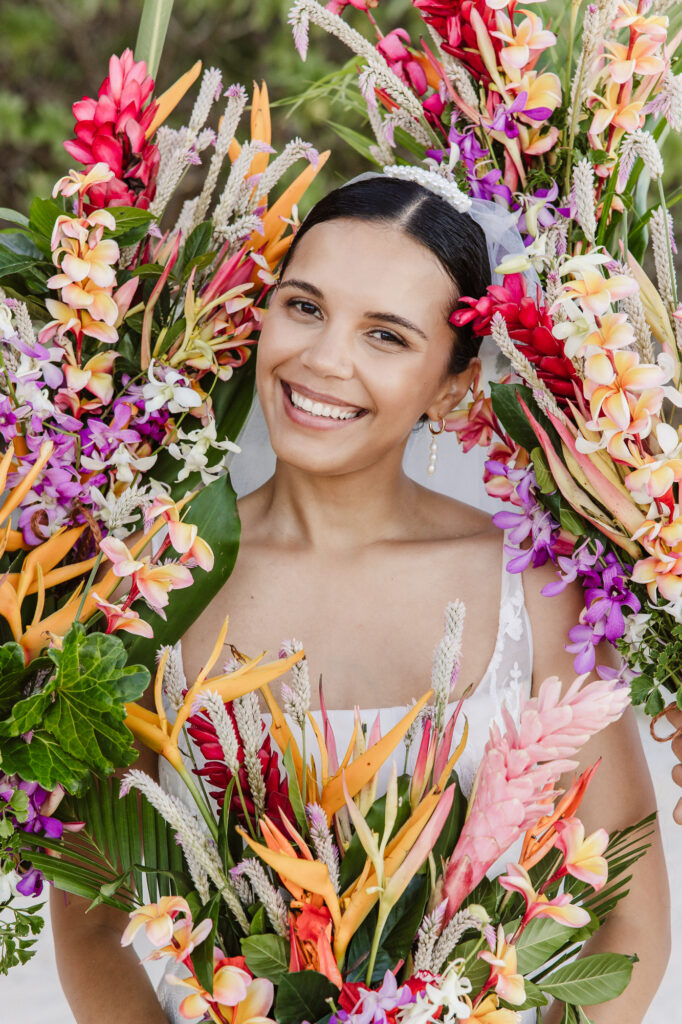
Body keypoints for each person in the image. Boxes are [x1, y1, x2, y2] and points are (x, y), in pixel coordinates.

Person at [52, 176, 670, 1023]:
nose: (324, 359)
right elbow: (92, 916)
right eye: (304, 307)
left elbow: (628, 911)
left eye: (386, 334)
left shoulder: (534, 583)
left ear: (452, 386)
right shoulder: (150, 582)